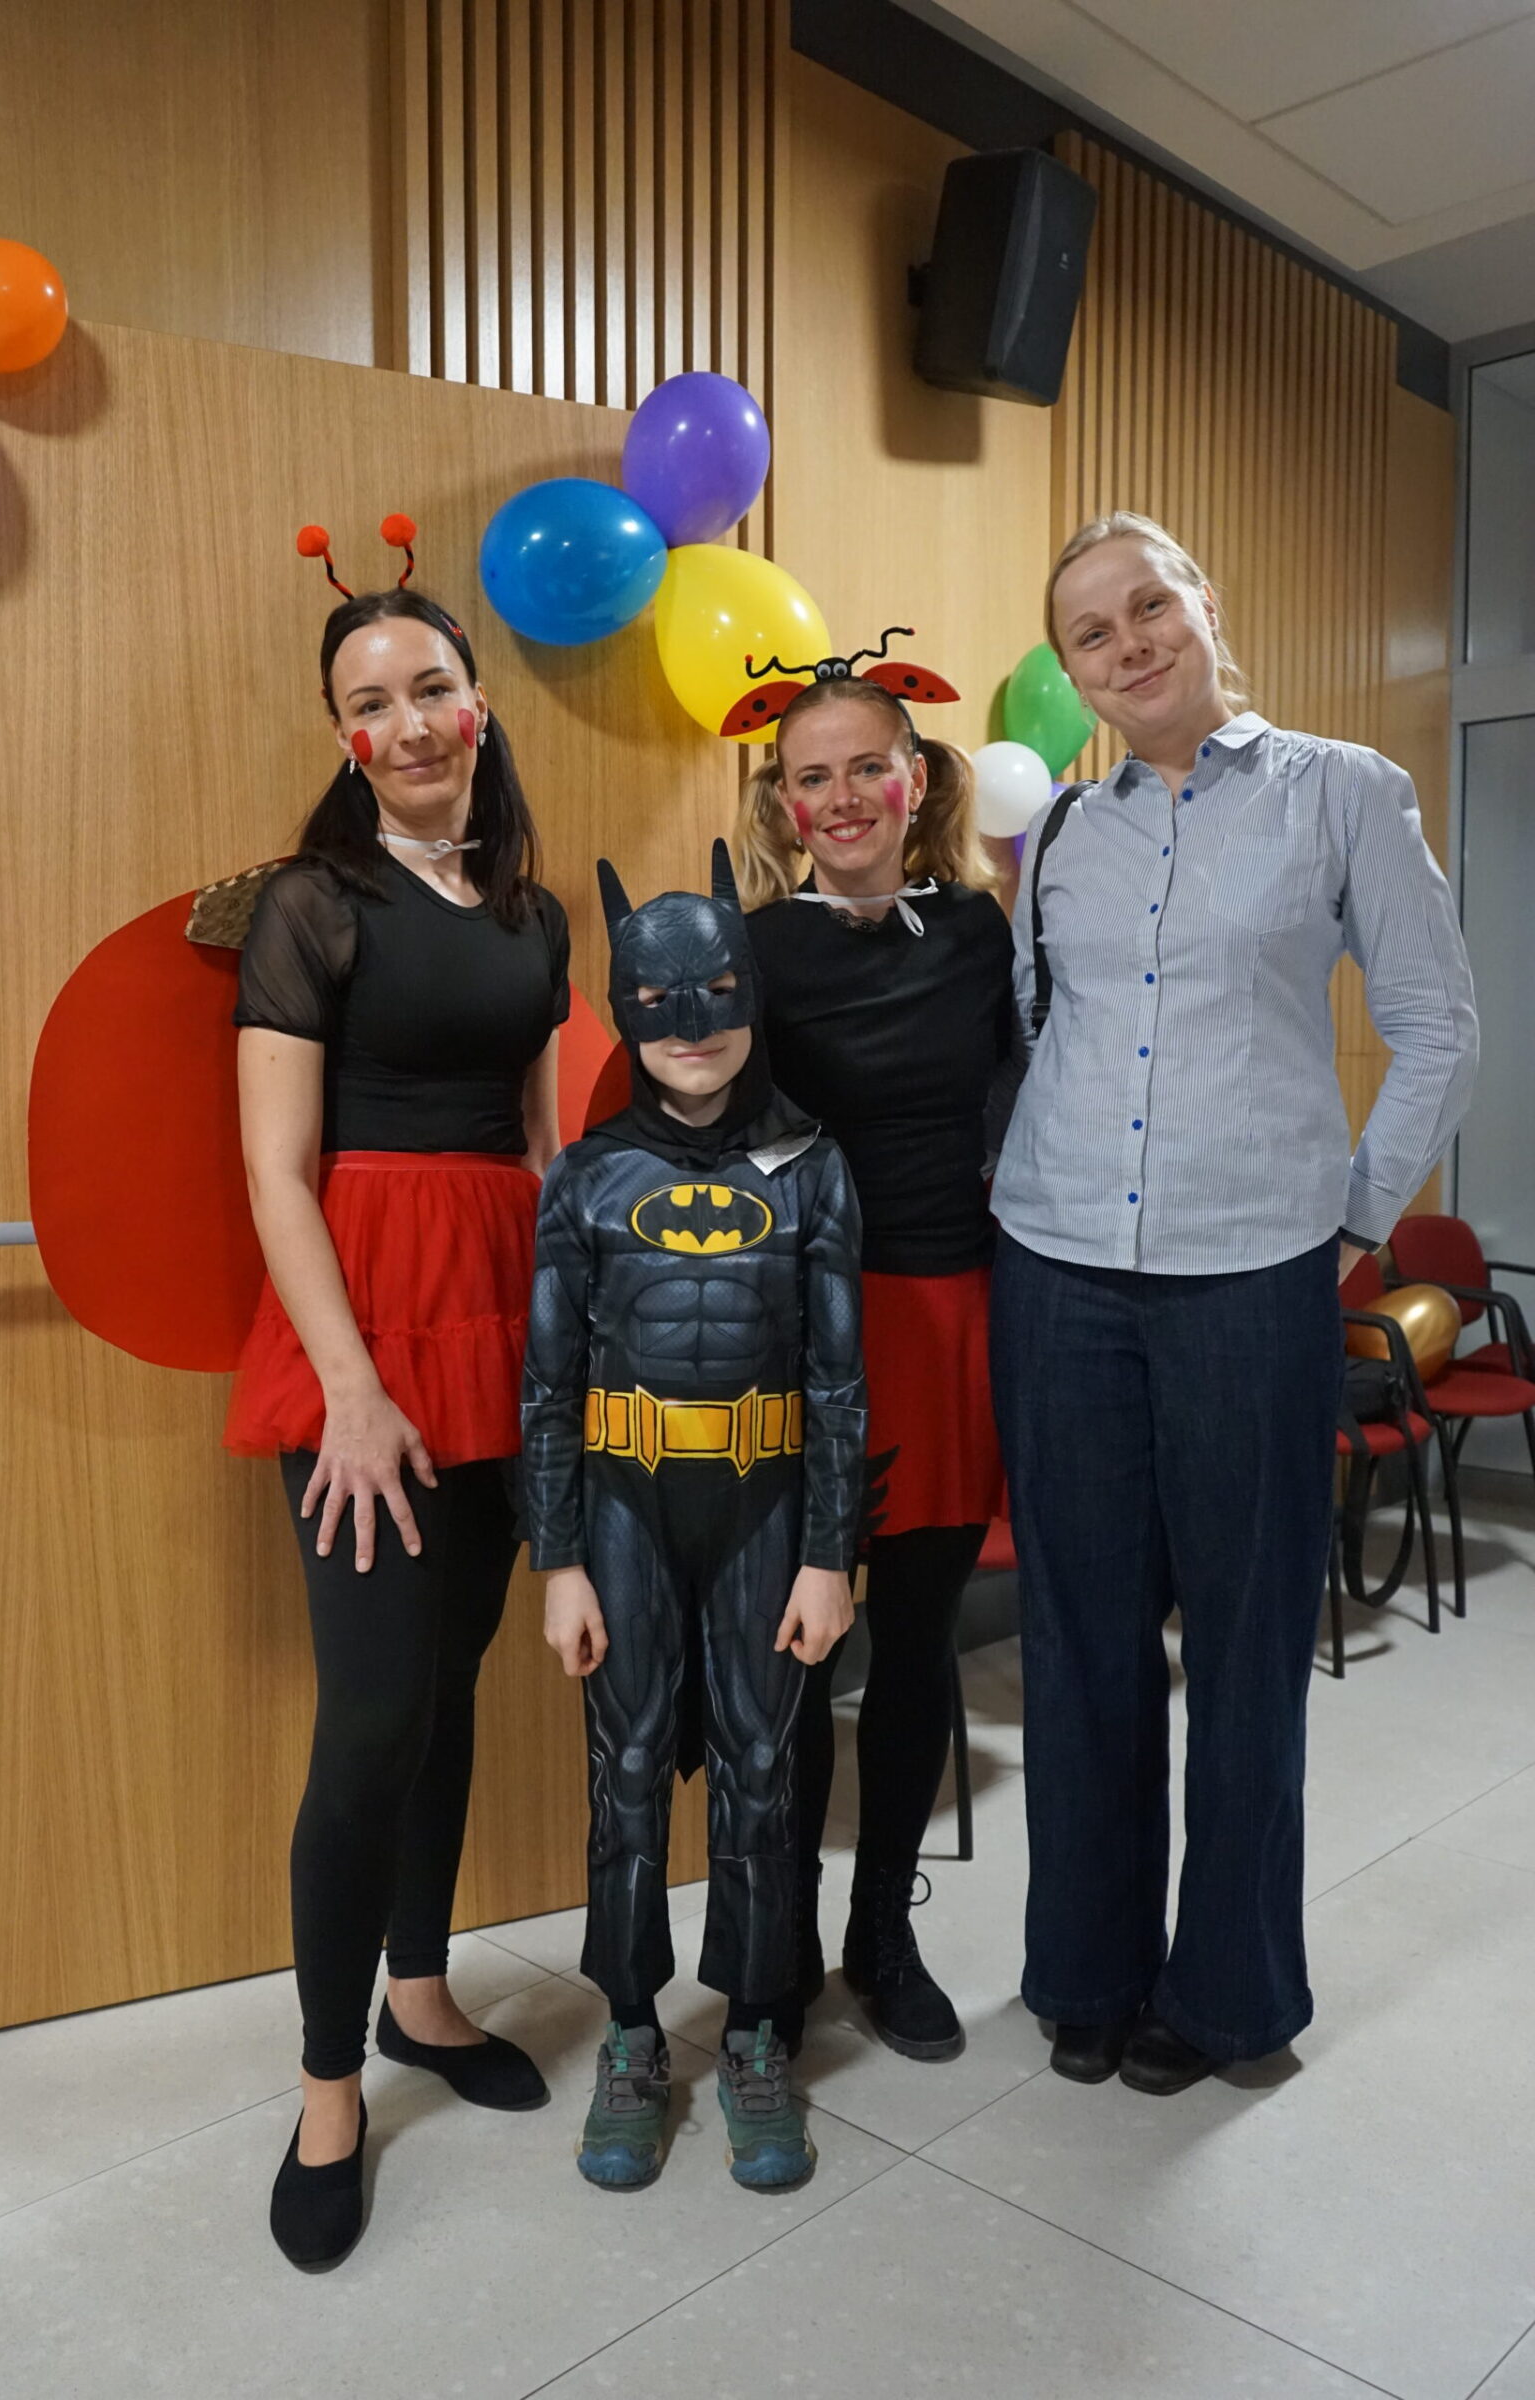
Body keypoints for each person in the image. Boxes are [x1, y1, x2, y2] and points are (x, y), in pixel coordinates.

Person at [993, 510, 1478, 2094]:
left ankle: (1227, 1997)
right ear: (1070, 673)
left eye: (1150, 606)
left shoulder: (1344, 790)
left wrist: (1354, 1217)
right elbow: (1034, 1031)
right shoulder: (1063, 834)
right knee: (1080, 1642)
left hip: (1251, 1277)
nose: (1128, 644)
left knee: (1251, 1644)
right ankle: (1084, 1971)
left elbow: (1438, 1021)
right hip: (1059, 1266)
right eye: (1092, 632)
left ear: (1203, 604)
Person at [231, 524, 566, 2268]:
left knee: (447, 1687)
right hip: (366, 1328)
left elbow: (541, 1146)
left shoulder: (534, 912)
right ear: (345, 736)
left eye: (432, 686)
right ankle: (325, 2090)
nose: (411, 721)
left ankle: (421, 1995)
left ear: (479, 704)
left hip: (505, 1323)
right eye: (373, 702)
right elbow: (276, 1172)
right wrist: (352, 1396)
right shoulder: (312, 902)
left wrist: (575, 1344)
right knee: (370, 1716)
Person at [523, 844, 864, 2191]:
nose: (691, 1026)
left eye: (716, 995)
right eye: (657, 1002)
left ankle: (757, 2030)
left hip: (770, 1504)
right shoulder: (584, 1178)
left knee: (765, 1773)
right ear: (624, 1008)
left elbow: (839, 1380)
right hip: (622, 1504)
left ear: (750, 997)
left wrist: (831, 1554)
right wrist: (558, 1561)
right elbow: (548, 1384)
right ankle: (630, 2032)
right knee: (622, 1772)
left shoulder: (816, 1168)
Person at [736, 665, 1021, 2064]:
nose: (843, 797)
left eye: (868, 768)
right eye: (814, 777)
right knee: (796, 1657)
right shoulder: (752, 950)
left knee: (915, 1650)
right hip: (805, 1332)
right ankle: (781, 1942)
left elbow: (1027, 1104)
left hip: (950, 1315)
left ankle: (881, 1938)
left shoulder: (977, 929)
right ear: (784, 805)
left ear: (916, 780)